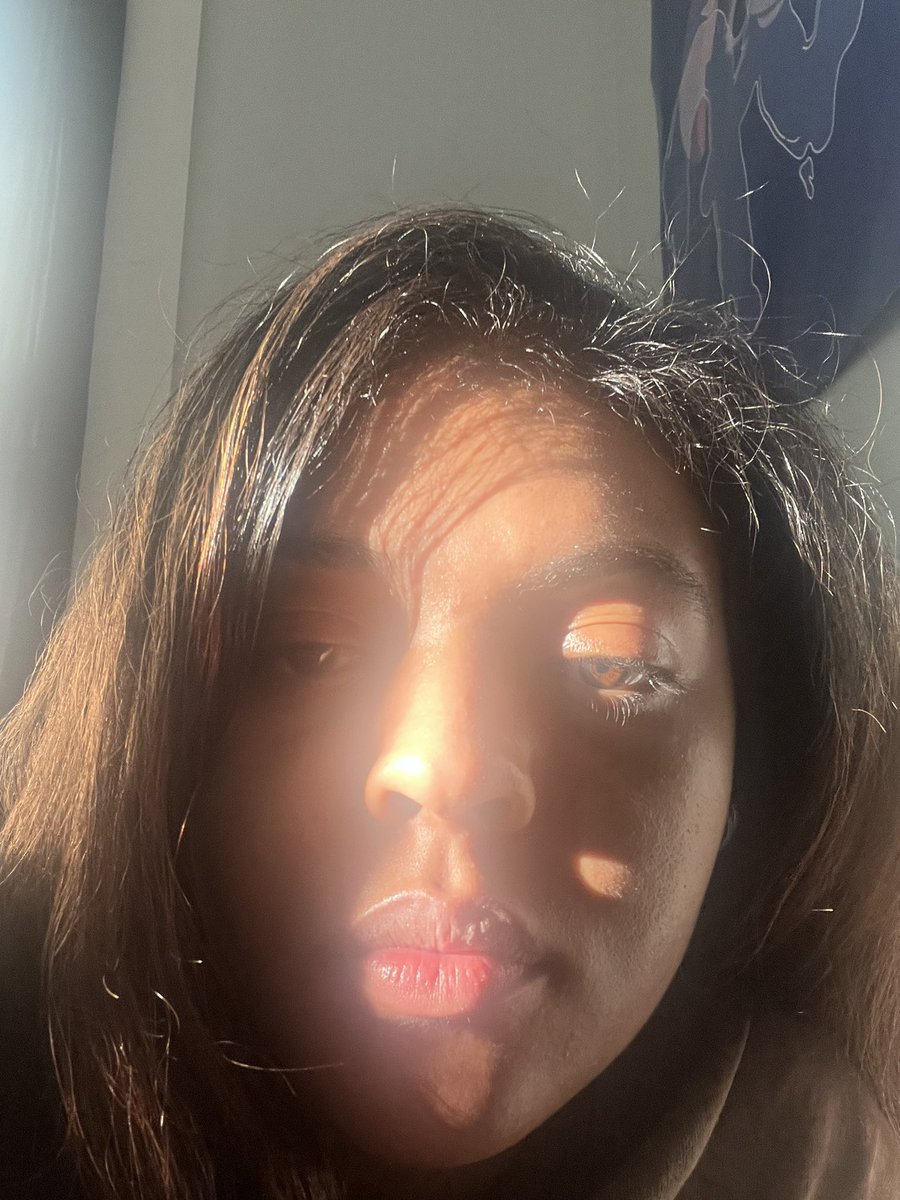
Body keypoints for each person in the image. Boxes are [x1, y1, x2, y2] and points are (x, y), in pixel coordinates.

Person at [1, 208, 899, 1200]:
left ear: (746, 786)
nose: (446, 768)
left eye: (614, 662)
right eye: (310, 649)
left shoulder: (811, 1152)